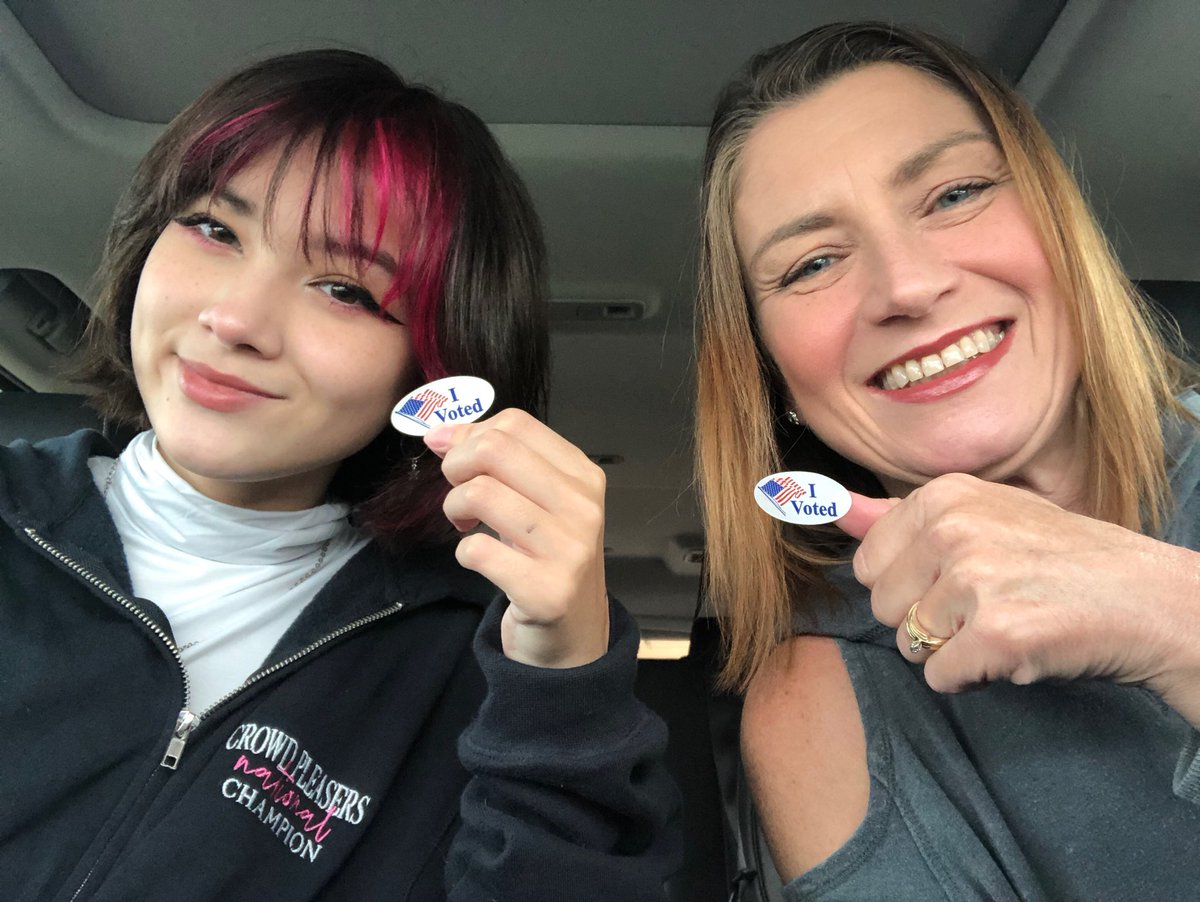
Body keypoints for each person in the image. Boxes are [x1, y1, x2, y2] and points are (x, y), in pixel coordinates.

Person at [0, 49, 679, 900]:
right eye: (215, 228)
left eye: (345, 290)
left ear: (429, 367)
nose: (236, 319)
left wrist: (563, 683)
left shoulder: (468, 667)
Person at [695, 21, 1200, 901]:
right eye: (813, 262)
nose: (907, 286)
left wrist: (1172, 620)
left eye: (954, 193)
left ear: (1060, 226)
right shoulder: (824, 701)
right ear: (769, 369)